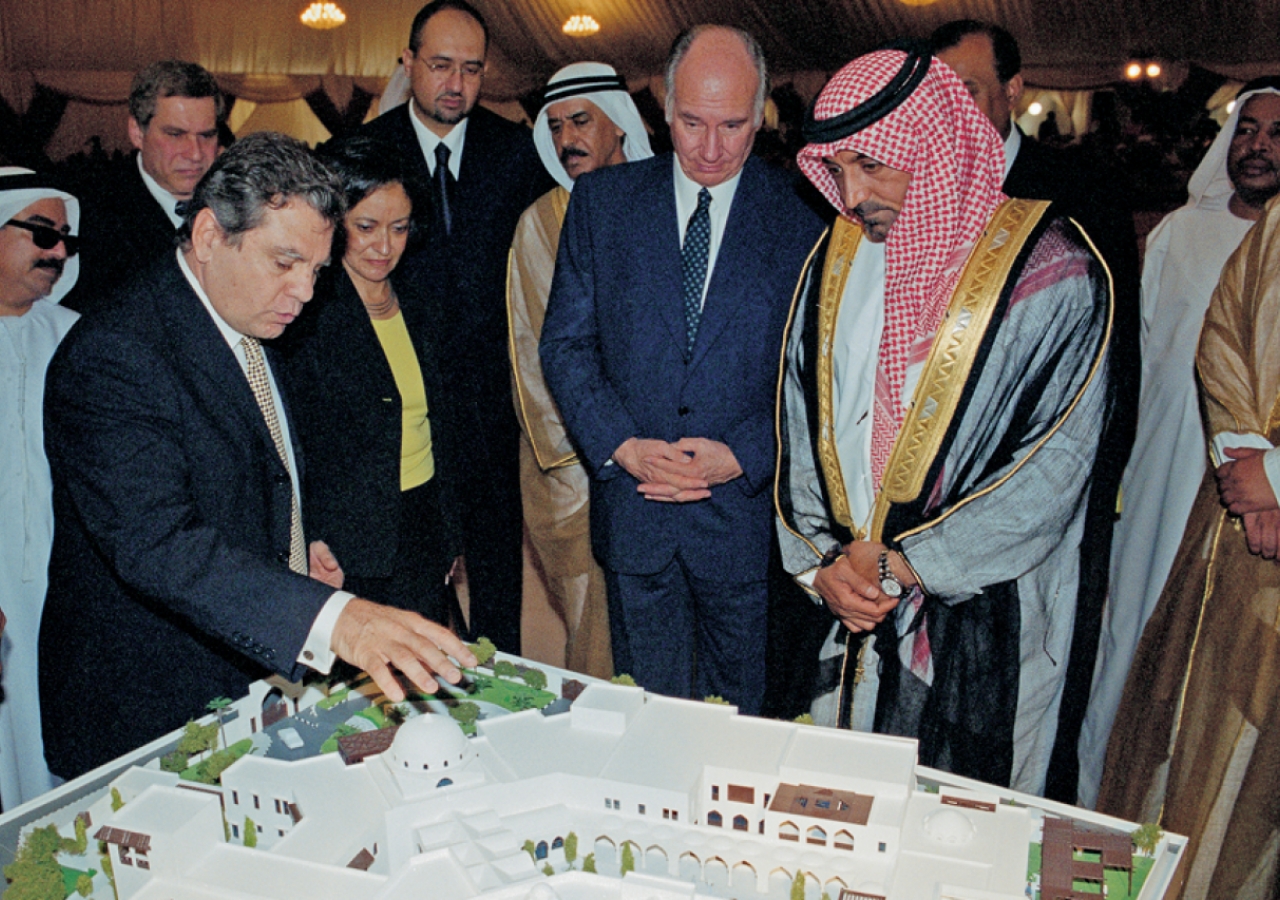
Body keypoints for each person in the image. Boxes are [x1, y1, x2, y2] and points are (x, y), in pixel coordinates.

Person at [39, 133, 475, 779]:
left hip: (241, 680)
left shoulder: (248, 314)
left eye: (317, 271)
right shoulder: (117, 354)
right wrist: (338, 619)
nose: (303, 291)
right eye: (284, 261)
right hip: (149, 698)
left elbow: (255, 468)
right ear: (212, 234)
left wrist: (297, 546)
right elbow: (158, 541)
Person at [776, 45, 1112, 795]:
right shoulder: (835, 258)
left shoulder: (1052, 271)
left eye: (872, 165)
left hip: (987, 608)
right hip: (851, 597)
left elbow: (1054, 467)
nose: (853, 194)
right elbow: (802, 422)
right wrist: (822, 563)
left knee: (963, 821)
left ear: (928, 144)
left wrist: (906, 564)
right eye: (836, 168)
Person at [541, 26, 824, 712]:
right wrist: (623, 446)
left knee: (744, 725)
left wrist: (742, 455)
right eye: (693, 122)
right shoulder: (603, 206)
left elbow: (819, 376)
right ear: (665, 107)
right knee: (652, 719)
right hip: (636, 515)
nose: (710, 146)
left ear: (760, 116)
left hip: (743, 524)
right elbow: (565, 347)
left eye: (733, 125)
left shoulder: (804, 221)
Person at [931, 19, 1141, 801]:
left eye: (971, 93)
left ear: (1015, 93)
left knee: (1034, 697)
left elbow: (1116, 365)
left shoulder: (1083, 193)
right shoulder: (922, 191)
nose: (951, 115)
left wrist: (1092, 493)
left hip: (1051, 502)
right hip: (940, 511)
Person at [1078, 76, 1280, 808]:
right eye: (1247, 130)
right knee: (1132, 633)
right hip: (1164, 475)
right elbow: (1131, 364)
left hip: (1257, 502)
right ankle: (1105, 806)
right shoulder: (1178, 235)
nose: (1258, 147)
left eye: (1276, 134)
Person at [1099, 195, 1280, 900]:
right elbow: (1223, 332)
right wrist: (1249, 461)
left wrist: (1276, 477)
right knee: (1203, 747)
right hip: (1235, 529)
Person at [360, 0, 555, 653]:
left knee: (500, 577)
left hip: (492, 412)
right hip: (397, 410)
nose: (456, 84)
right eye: (440, 65)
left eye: (471, 69)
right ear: (408, 64)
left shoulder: (519, 154)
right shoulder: (359, 154)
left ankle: (504, 700)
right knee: (408, 583)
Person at [275, 135, 467, 625]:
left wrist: (448, 531)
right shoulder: (304, 311)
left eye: (399, 228)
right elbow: (291, 440)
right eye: (366, 227)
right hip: (344, 542)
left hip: (422, 523)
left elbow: (442, 425)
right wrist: (309, 533)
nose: (384, 246)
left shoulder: (421, 302)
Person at [508, 63, 653, 679]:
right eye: (557, 125)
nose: (568, 137)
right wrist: (606, 456)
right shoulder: (542, 221)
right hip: (576, 471)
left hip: (665, 466)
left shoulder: (665, 202)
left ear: (619, 124)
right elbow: (540, 358)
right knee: (594, 639)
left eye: (581, 120)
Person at [0, 168, 80, 808]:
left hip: (68, 581)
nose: (56, 252)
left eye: (64, 240)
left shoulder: (79, 339)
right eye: (41, 233)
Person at [69, 60, 224, 314]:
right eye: (176, 134)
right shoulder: (91, 215)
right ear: (137, 132)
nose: (195, 154)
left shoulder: (240, 205)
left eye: (206, 135)